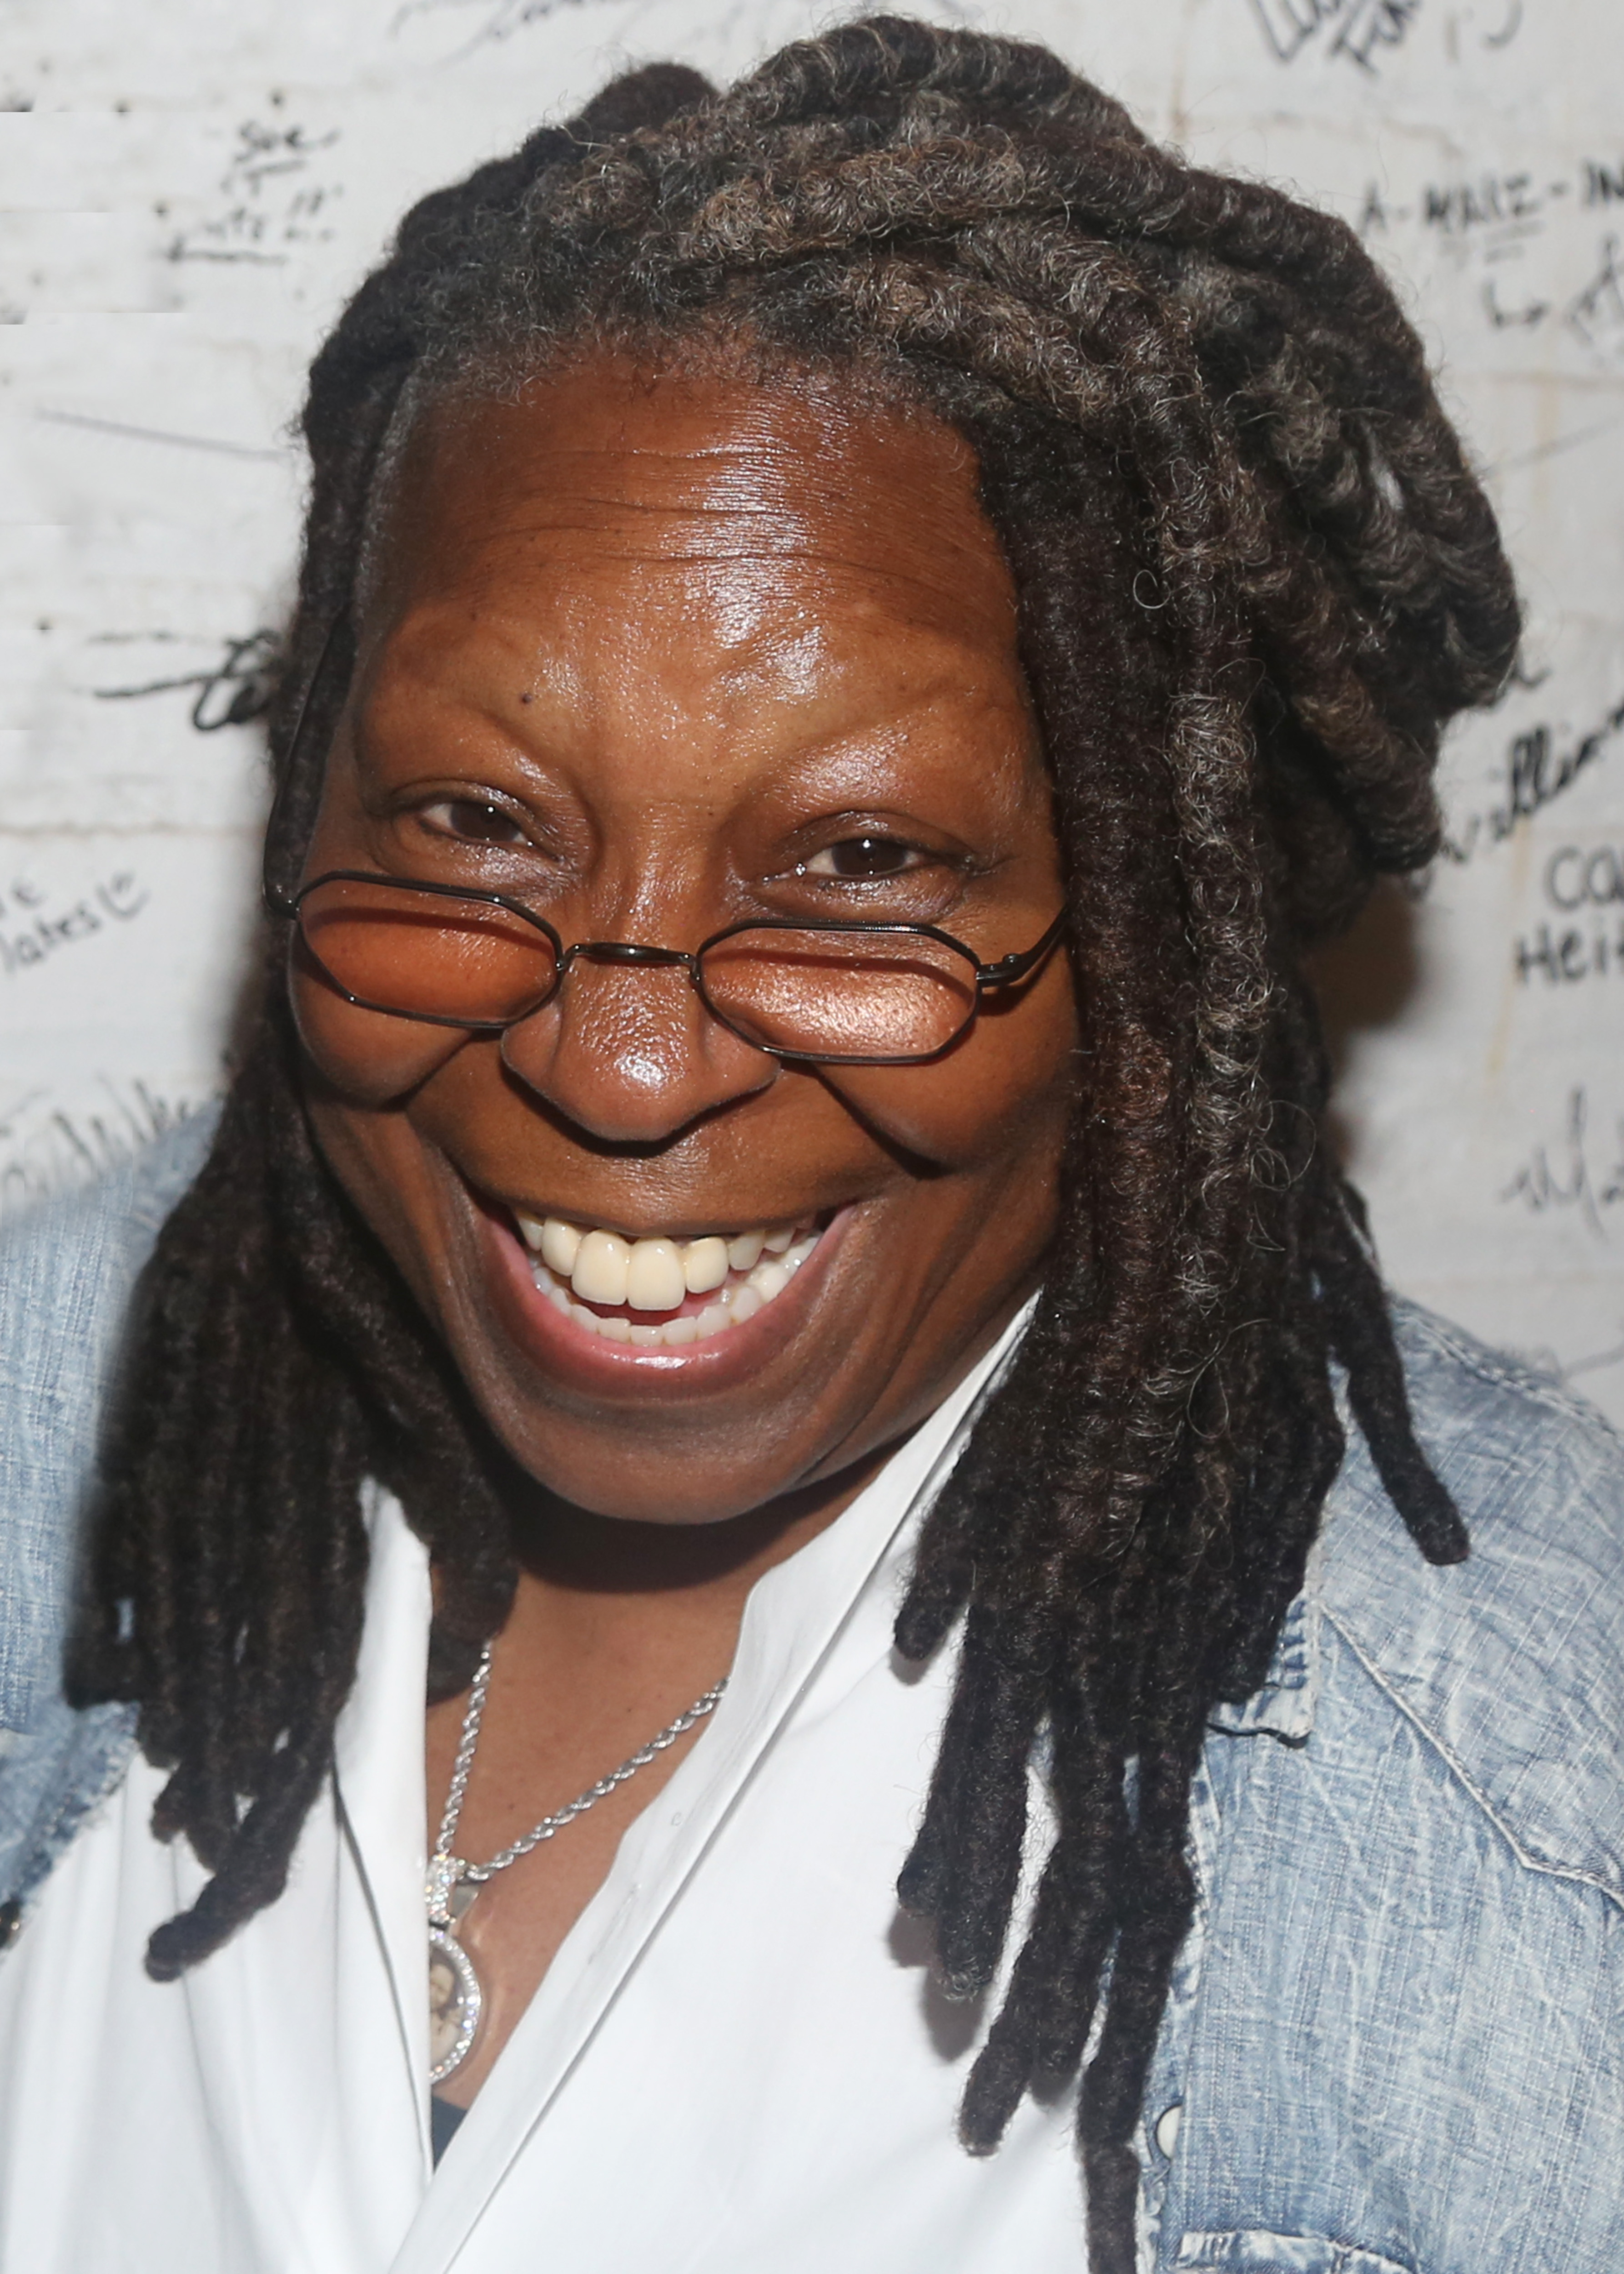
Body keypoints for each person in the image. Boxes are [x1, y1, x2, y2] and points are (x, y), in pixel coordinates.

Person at [1, 17, 1620, 2273]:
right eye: (472, 823)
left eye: (857, 859)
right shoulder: (66, 1403)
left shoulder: (1540, 1890)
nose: (624, 1069)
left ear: (1170, 942)